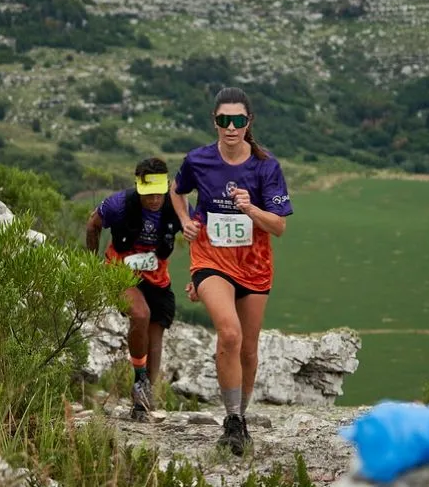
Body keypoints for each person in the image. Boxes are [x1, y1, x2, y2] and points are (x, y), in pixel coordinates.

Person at [169, 87, 294, 456]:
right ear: (215, 122)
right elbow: (177, 191)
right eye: (224, 120)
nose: (231, 127)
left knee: (249, 351)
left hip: (254, 265)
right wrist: (184, 221)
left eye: (238, 120)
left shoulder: (265, 166)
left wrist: (251, 209)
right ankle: (232, 422)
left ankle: (242, 414)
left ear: (248, 122)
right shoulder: (198, 160)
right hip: (210, 260)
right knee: (229, 333)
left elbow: (279, 227)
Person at [85, 157, 182, 422]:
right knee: (140, 314)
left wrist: (199, 275)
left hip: (157, 276)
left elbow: (199, 234)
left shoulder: (176, 205)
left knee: (156, 332)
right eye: (147, 194)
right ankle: (139, 377)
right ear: (138, 187)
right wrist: (92, 267)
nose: (153, 199)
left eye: (158, 194)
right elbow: (93, 224)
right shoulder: (119, 204)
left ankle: (143, 399)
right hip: (120, 271)